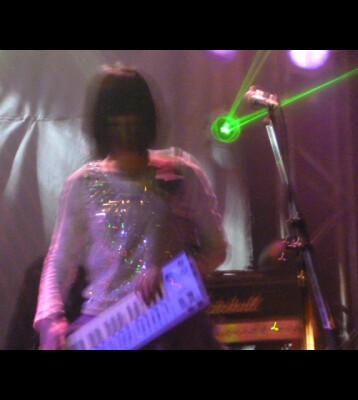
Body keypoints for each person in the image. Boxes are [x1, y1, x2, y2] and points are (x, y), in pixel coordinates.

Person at [33, 63, 228, 350]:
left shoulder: (180, 173)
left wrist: (172, 275)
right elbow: (61, 260)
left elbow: (216, 249)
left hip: (171, 320)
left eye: (133, 119)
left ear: (146, 120)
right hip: (106, 324)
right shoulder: (84, 183)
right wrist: (50, 320)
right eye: (116, 121)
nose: (125, 129)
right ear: (103, 124)